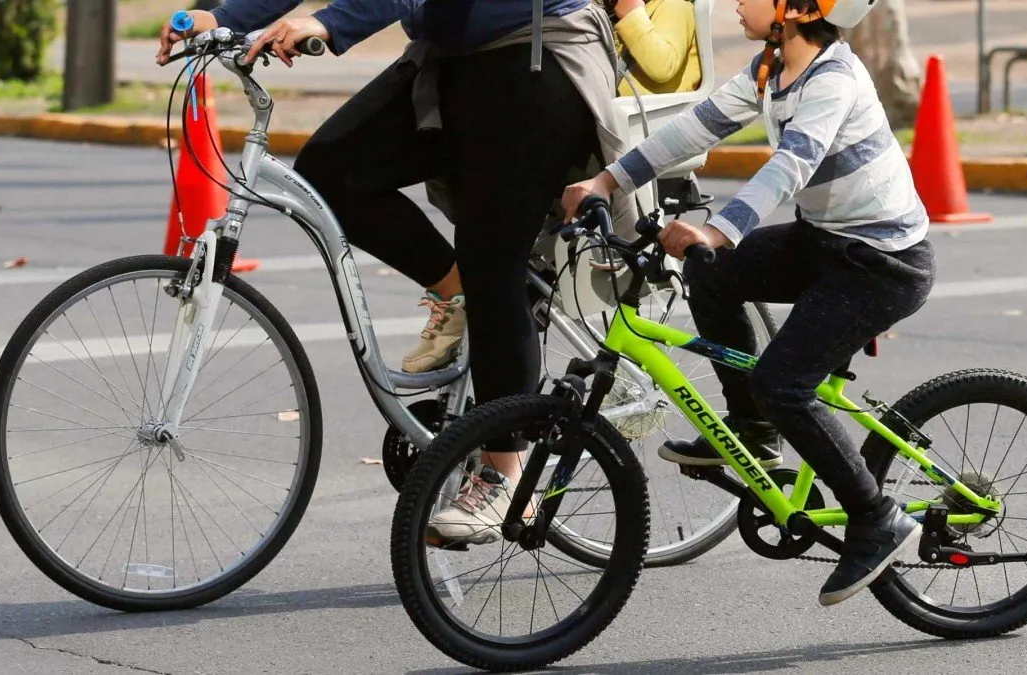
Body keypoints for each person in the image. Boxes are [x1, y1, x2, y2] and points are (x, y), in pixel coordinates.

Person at [157, 1, 632, 545]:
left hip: (536, 58)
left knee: (491, 261)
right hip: (453, 62)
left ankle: (504, 476)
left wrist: (332, 23)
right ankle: (460, 294)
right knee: (332, 172)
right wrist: (224, 17)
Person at [562, 0, 934, 606]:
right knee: (713, 277)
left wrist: (720, 228)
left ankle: (876, 518)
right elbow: (695, 125)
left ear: (797, 9)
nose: (737, 2)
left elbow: (791, 165)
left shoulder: (834, 78)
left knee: (784, 382)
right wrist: (607, 181)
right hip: (826, 241)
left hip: (881, 264)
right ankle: (753, 432)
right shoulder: (770, 67)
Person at [606, 0, 701, 96]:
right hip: (625, 106)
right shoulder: (652, 7)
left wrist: (631, 15)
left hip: (647, 108)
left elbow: (663, 66)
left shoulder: (676, 5)